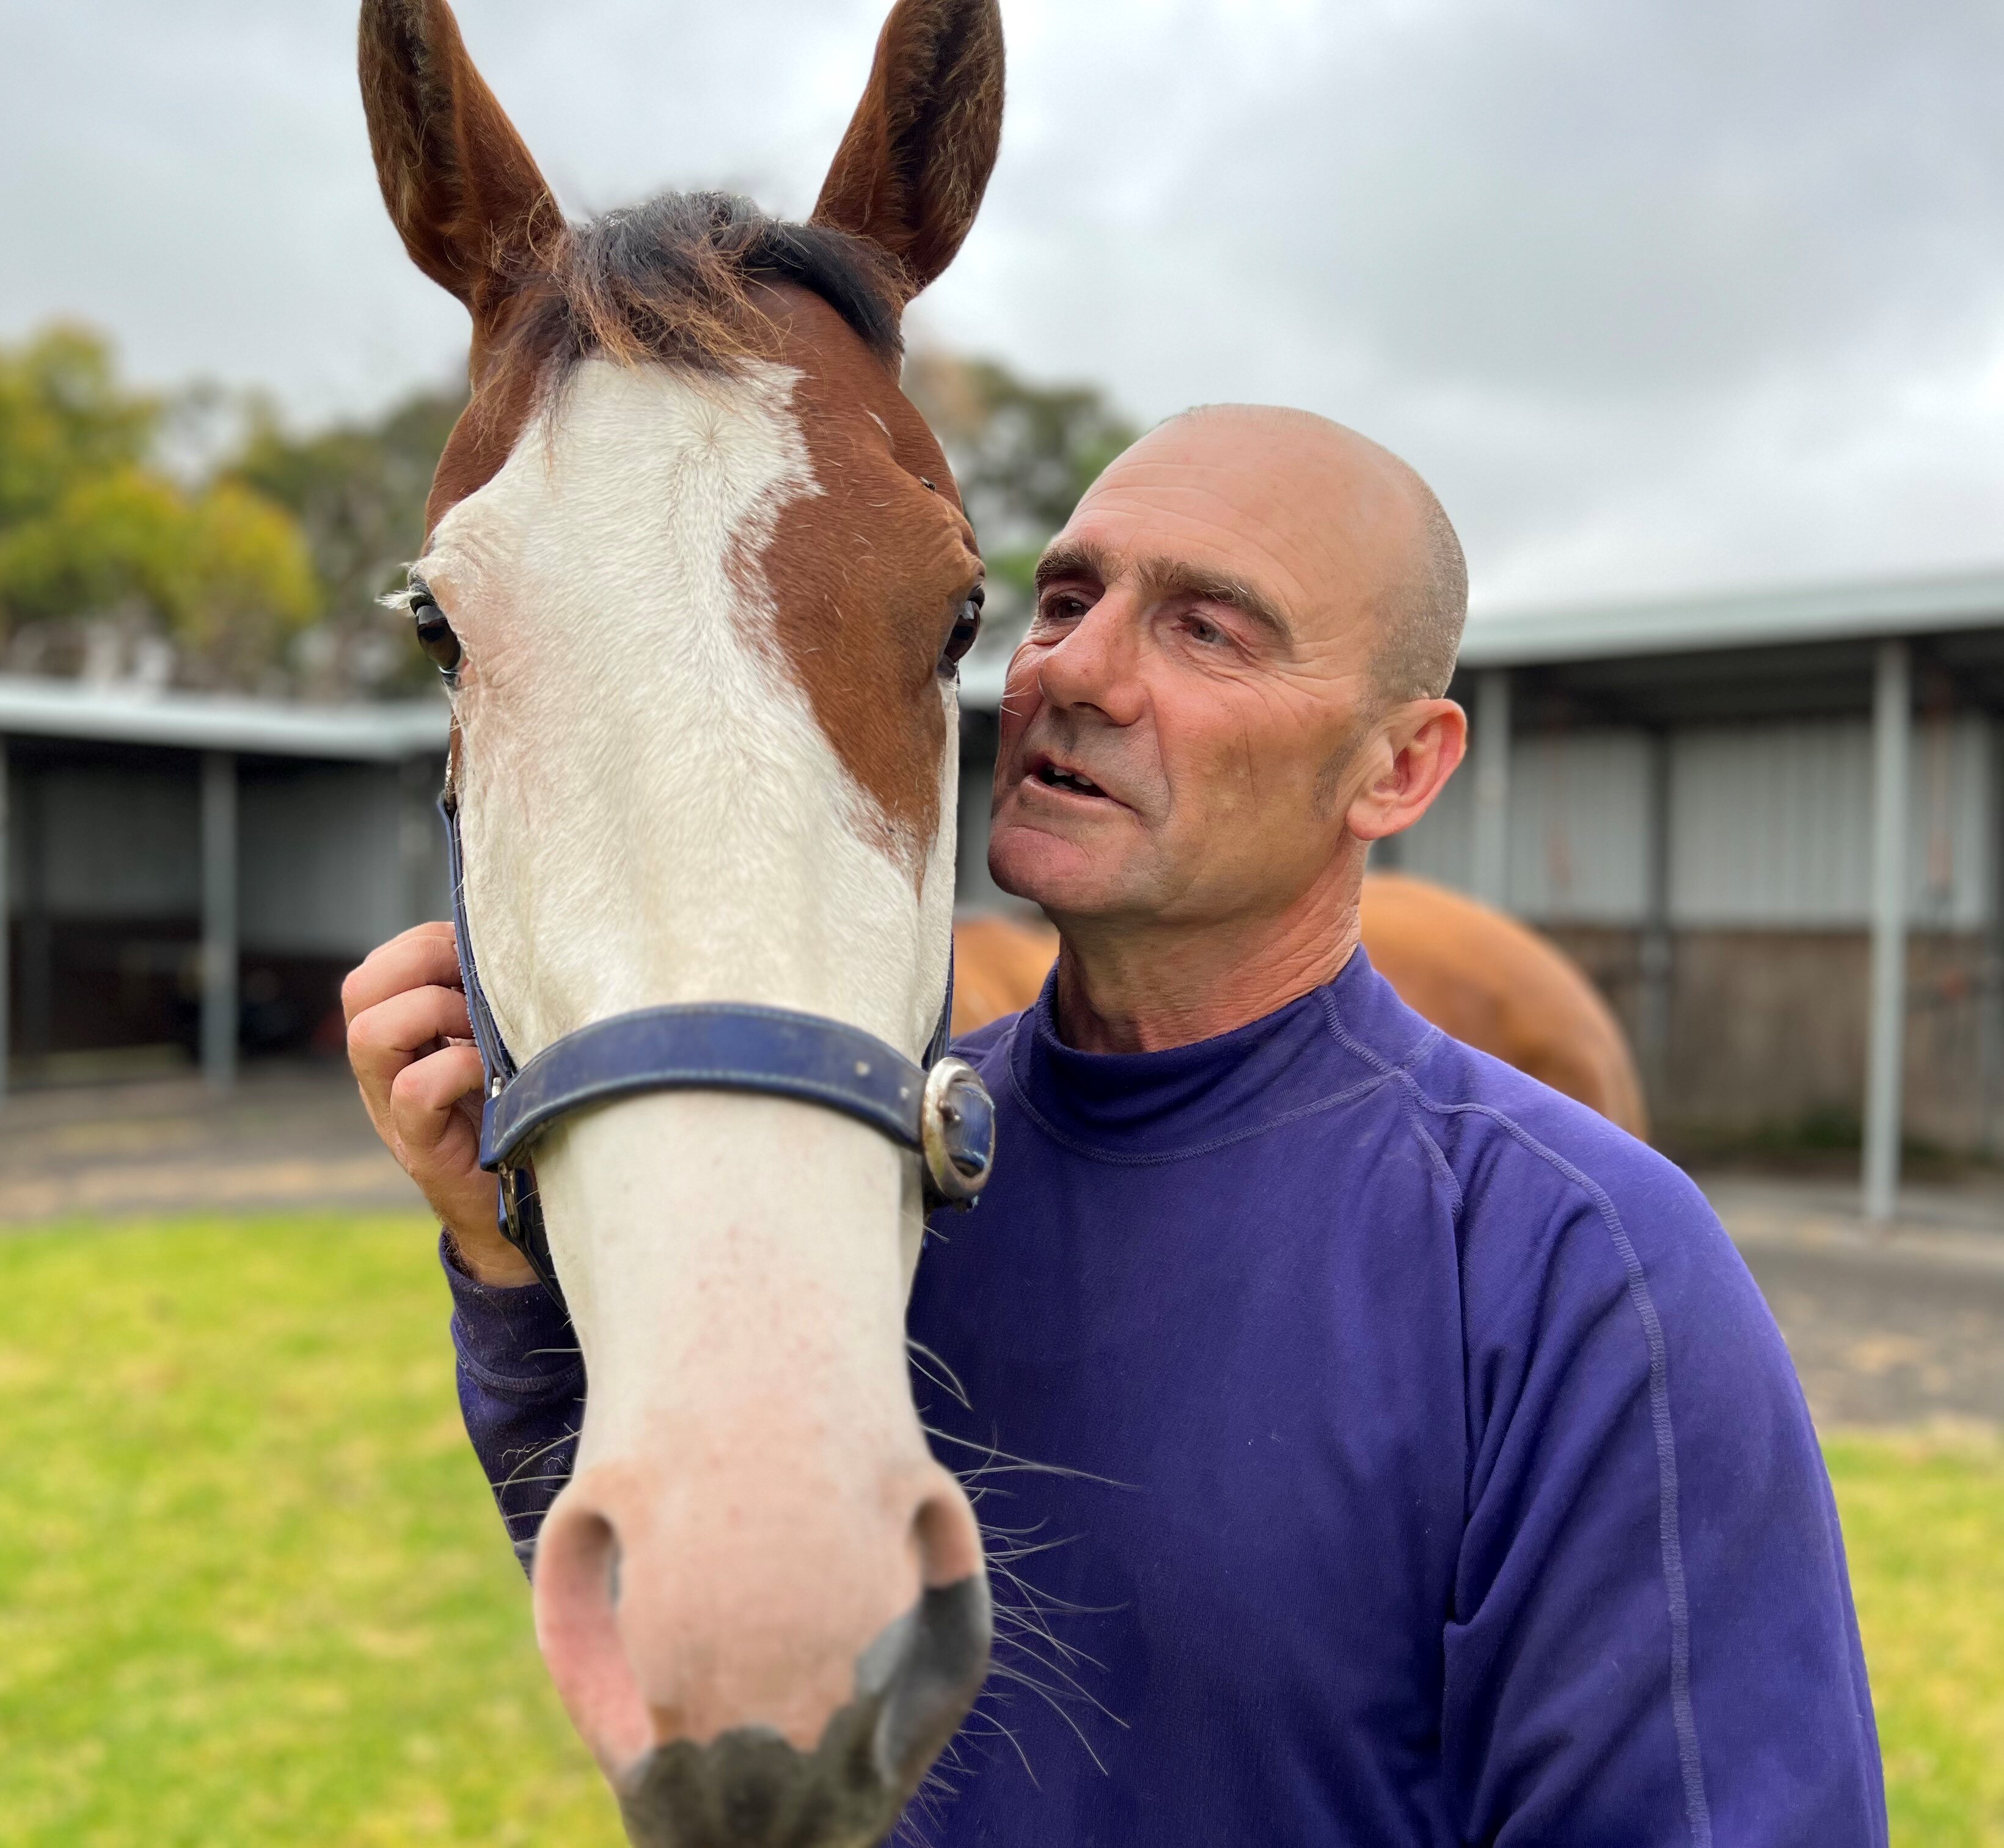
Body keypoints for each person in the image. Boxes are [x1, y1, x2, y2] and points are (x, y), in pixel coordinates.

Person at [344, 404, 1885, 1843]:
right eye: (1063, 601)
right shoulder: (886, 1156)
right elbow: (687, 1595)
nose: (1071, 672)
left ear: (1398, 768)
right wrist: (498, 1251)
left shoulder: (1585, 1263)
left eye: (1207, 628)